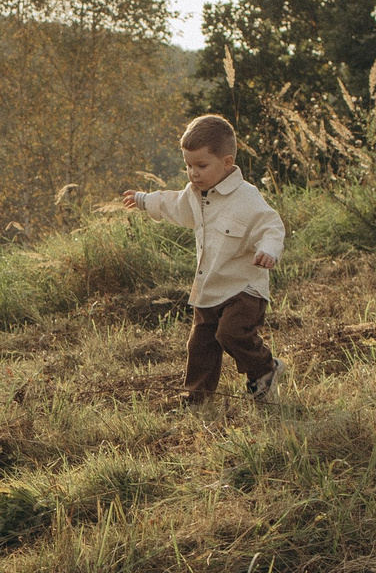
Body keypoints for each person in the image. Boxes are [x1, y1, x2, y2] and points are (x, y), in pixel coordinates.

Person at [122, 113, 288, 405]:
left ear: (226, 162)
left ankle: (265, 370)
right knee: (199, 345)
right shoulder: (194, 195)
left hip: (243, 287)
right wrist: (144, 200)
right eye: (187, 165)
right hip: (209, 288)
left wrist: (269, 250)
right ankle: (197, 398)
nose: (193, 173)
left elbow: (270, 226)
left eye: (201, 165)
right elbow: (172, 203)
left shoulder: (246, 198)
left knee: (231, 333)